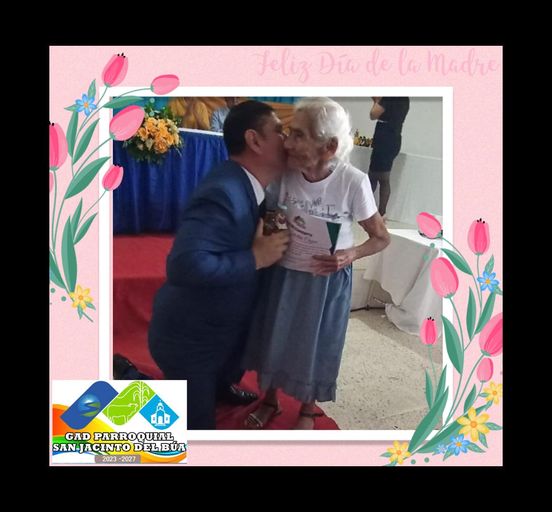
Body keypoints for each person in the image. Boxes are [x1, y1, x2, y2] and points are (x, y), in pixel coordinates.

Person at [242, 98, 390, 429]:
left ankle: (307, 409)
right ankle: (270, 400)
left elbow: (381, 238)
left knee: (316, 343)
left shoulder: (352, 182)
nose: (287, 143)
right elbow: (271, 217)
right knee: (275, 336)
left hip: (326, 283)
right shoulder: (285, 174)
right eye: (289, 132)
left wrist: (351, 254)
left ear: (329, 147)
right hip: (283, 274)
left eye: (298, 135)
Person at [148, 101, 290, 430]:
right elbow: (184, 266)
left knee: (226, 374)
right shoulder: (223, 192)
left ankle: (220, 384)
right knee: (197, 433)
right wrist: (256, 258)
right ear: (255, 141)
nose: (287, 140)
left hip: (224, 333)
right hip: (191, 344)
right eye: (279, 132)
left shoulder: (248, 183)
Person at [368, 97, 410, 220]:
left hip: (384, 138)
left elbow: (373, 114)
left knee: (374, 176)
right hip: (394, 137)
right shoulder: (405, 99)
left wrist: (376, 100)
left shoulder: (389, 96)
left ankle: (369, 211)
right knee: (383, 177)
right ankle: (380, 213)